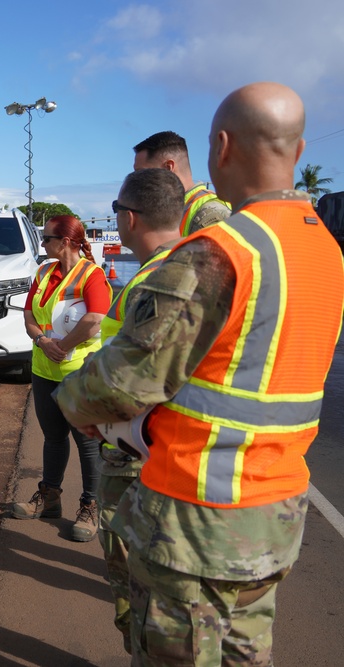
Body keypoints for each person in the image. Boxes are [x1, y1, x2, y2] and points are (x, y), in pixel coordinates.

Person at [56, 82, 344, 664]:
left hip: (197, 518)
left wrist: (72, 405)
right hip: (278, 511)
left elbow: (121, 384)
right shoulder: (324, 249)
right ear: (301, 149)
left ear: (221, 146)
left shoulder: (220, 250)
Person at [99, 169, 185, 654]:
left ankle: (139, 644)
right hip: (187, 455)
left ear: (128, 219)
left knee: (131, 566)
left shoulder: (150, 284)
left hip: (137, 450)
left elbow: (131, 380)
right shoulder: (208, 269)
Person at [9, 215, 111, 541]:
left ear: (65, 242)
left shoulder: (92, 276)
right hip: (44, 370)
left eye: (47, 238)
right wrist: (43, 342)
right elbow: (28, 315)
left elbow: (95, 319)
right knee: (53, 437)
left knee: (87, 444)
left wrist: (63, 346)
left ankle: (90, 506)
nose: (42, 244)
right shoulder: (43, 272)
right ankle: (50, 497)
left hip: (80, 373)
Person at [133, 130, 231, 235]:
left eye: (141, 173)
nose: (136, 181)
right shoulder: (175, 210)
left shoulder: (210, 213)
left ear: (168, 168)